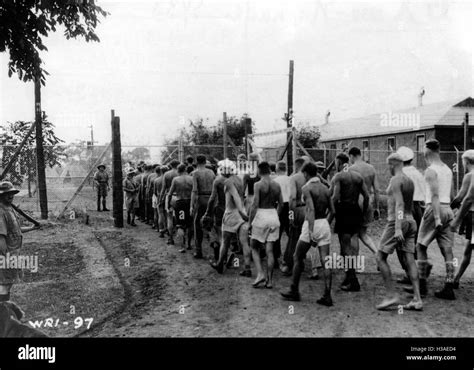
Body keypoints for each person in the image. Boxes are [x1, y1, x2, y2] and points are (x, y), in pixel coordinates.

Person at [405, 139, 455, 300]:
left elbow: (434, 195)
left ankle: (422, 284)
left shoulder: (431, 170)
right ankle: (449, 285)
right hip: (447, 207)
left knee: (420, 245)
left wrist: (436, 216)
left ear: (428, 150)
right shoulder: (447, 169)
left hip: (435, 208)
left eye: (424, 149)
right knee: (447, 249)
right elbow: (452, 195)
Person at [280, 162, 335, 305]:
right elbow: (333, 211)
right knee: (326, 261)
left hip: (311, 224)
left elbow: (310, 210)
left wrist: (311, 231)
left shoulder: (306, 188)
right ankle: (327, 295)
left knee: (297, 256)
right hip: (324, 223)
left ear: (305, 174)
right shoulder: (325, 188)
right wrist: (325, 224)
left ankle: (294, 290)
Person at [376, 153, 422, 311]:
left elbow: (400, 204)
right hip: (411, 221)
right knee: (409, 260)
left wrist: (397, 228)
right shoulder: (409, 180)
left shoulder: (396, 179)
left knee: (380, 256)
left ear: (393, 164)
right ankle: (417, 299)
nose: (387, 169)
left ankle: (390, 295)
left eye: (388, 165)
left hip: (398, 221)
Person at [332, 152, 369, 292]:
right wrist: (364, 212)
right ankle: (349, 277)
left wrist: (329, 213)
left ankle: (353, 280)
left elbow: (335, 197)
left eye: (336, 163)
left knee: (345, 247)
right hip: (355, 210)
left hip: (344, 210)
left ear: (340, 163)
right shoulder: (358, 176)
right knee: (352, 243)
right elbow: (366, 196)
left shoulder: (339, 176)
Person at [210, 159, 251, 276]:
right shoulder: (239, 179)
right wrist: (243, 212)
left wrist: (240, 211)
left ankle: (219, 264)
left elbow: (236, 196)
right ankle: (247, 268)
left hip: (231, 213)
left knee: (225, 241)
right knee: (244, 242)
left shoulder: (227, 182)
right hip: (241, 212)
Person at [396, 146, 430, 284]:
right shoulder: (418, 173)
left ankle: (409, 273)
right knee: (414, 241)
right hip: (419, 208)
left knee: (400, 242)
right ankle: (415, 272)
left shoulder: (400, 173)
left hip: (406, 208)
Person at [0, 182, 38, 305]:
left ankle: (5, 311)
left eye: (11, 193)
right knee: (4, 284)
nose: (10, 196)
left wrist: (32, 228)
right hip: (7, 253)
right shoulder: (1, 212)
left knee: (8, 283)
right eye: (7, 194)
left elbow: (16, 230)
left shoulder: (10, 208)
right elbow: (1, 237)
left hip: (14, 252)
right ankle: (3, 314)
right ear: (1, 195)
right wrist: (6, 257)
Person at [249, 161, 283, 289]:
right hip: (273, 215)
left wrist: (250, 222)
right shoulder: (277, 185)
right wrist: (276, 215)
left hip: (261, 215)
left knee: (254, 246)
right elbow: (282, 204)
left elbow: (255, 204)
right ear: (269, 170)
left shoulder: (258, 184)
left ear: (259, 171)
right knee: (270, 250)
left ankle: (260, 274)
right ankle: (270, 281)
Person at [449, 149, 474, 289]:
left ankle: (456, 278)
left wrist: (451, 209)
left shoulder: (470, 175)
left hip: (472, 215)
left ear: (467, 161)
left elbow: (462, 198)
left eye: (463, 162)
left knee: (468, 249)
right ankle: (457, 278)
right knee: (468, 248)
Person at [348, 147, 380, 254]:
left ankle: (355, 265)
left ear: (352, 156)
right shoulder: (371, 168)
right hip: (368, 202)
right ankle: (378, 255)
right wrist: (377, 207)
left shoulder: (351, 169)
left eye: (350, 157)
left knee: (354, 234)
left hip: (356, 203)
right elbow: (377, 190)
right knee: (363, 234)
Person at [281, 157, 307, 276]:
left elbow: (292, 198)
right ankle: (302, 264)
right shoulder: (311, 177)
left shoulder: (295, 178)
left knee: (294, 237)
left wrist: (290, 216)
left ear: (296, 166)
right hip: (309, 209)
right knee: (307, 237)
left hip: (298, 209)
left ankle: (290, 265)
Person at [190, 154, 216, 259]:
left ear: (196, 162)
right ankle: (216, 247)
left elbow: (194, 190)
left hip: (200, 199)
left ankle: (198, 250)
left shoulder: (195, 173)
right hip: (212, 198)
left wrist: (191, 205)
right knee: (211, 223)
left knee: (197, 224)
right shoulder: (211, 172)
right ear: (205, 161)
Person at [167, 164, 194, 253]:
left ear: (178, 170)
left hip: (180, 203)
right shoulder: (191, 178)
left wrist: (168, 204)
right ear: (185, 169)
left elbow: (170, 193)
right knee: (190, 224)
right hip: (190, 202)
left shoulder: (176, 179)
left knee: (180, 225)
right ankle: (189, 244)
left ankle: (182, 246)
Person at [203, 168, 226, 261]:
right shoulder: (235, 180)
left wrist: (207, 211)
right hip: (231, 209)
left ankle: (221, 255)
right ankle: (227, 254)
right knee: (227, 233)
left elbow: (212, 198)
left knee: (218, 232)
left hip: (220, 208)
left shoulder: (218, 181)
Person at [273, 161, 291, 266]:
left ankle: (275, 257)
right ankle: (289, 256)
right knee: (291, 232)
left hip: (279, 206)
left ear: (277, 169)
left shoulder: (275, 181)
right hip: (289, 206)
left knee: (276, 233)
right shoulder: (290, 179)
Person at [159, 160, 180, 245]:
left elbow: (163, 189)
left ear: (170, 165)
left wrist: (161, 199)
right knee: (181, 218)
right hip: (180, 197)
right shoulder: (181, 173)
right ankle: (182, 240)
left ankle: (170, 238)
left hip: (169, 196)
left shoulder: (166, 174)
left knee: (169, 218)